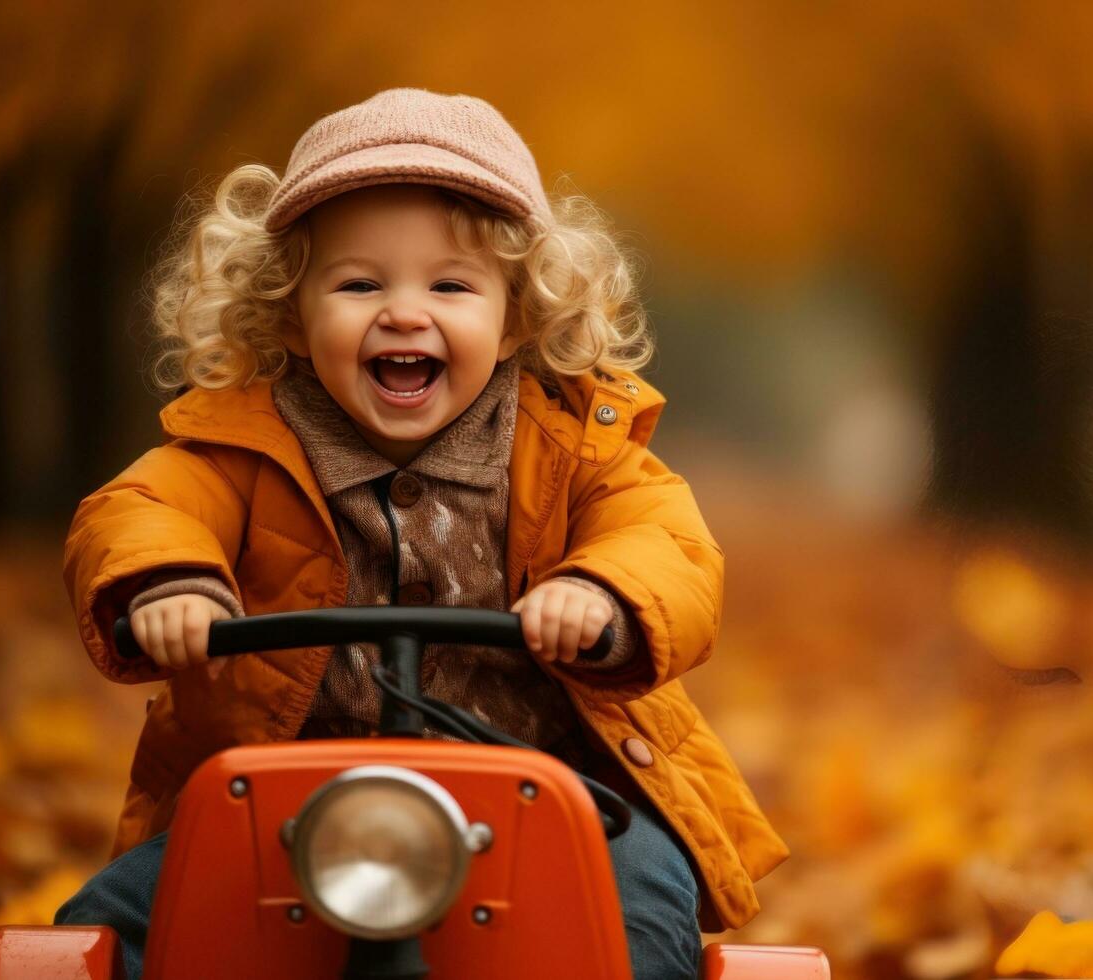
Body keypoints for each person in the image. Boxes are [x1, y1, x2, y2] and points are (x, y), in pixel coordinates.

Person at [55, 88, 786, 979]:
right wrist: (166, 581)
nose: (404, 312)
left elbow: (663, 539)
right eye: (359, 284)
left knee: (635, 909)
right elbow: (138, 509)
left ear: (516, 315)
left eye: (449, 286)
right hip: (287, 802)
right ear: (289, 312)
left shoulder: (572, 450)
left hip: (550, 790)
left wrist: (601, 594)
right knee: (109, 925)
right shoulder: (239, 446)